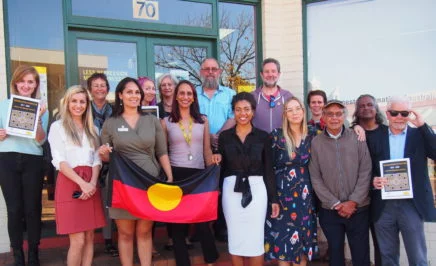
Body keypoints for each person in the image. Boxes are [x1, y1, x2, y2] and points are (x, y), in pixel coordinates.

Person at [98, 77, 174, 266]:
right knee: (125, 233)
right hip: (121, 184)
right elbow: (107, 156)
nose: (134, 95)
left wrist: (169, 177)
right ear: (120, 95)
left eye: (137, 92)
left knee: (145, 231)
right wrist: (103, 154)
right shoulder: (110, 123)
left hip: (149, 182)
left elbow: (162, 152)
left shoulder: (152, 120)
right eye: (129, 92)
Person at [367, 96, 436, 266]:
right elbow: (364, 166)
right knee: (387, 257)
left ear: (409, 115)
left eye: (404, 113)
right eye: (394, 113)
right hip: (383, 205)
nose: (399, 117)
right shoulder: (375, 137)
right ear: (387, 114)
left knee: (418, 257)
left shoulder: (419, 135)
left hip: (411, 204)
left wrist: (422, 125)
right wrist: (372, 181)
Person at [161, 80, 220, 266]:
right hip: (176, 175)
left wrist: (213, 167)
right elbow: (163, 152)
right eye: (182, 93)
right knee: (178, 224)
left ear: (194, 97)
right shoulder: (166, 122)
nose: (186, 97)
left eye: (189, 94)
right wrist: (168, 177)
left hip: (198, 175)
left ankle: (211, 260)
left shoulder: (203, 120)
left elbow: (207, 150)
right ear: (176, 96)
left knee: (202, 222)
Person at [218, 92, 280, 266]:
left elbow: (268, 169)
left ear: (253, 111)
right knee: (235, 236)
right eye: (238, 110)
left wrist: (274, 199)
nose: (242, 113)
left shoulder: (263, 136)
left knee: (255, 238)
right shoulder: (224, 137)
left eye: (246, 109)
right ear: (233, 112)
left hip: (257, 189)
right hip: (231, 189)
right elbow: (221, 168)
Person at [309, 100, 372, 266]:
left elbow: (366, 171)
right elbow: (315, 177)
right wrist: (335, 203)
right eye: (330, 114)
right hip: (330, 211)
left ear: (344, 116)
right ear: (323, 117)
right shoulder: (316, 143)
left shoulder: (357, 137)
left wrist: (353, 201)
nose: (334, 118)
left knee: (361, 256)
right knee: (335, 256)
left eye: (338, 114)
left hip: (358, 209)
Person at [48, 85, 106, 266]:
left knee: (90, 237)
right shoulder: (58, 127)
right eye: (74, 101)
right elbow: (59, 161)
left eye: (82, 101)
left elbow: (96, 159)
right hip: (70, 182)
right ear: (67, 102)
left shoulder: (93, 129)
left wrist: (93, 183)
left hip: (91, 183)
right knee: (78, 240)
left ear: (87, 104)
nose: (78, 105)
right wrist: (82, 184)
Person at [0, 65, 48, 266]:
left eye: (30, 81)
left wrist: (37, 118)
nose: (26, 85)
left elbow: (40, 141)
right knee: (14, 209)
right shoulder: (3, 105)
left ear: (36, 84)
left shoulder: (42, 107)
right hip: (7, 159)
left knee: (32, 209)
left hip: (32, 160)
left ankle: (34, 254)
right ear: (15, 83)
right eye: (22, 81)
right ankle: (18, 255)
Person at [265, 97, 318, 266]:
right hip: (282, 196)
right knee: (283, 245)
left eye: (298, 109)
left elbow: (335, 132)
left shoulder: (313, 134)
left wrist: (358, 128)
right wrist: (273, 198)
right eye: (290, 110)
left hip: (305, 196)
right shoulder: (276, 135)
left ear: (303, 111)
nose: (295, 113)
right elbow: (268, 169)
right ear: (285, 114)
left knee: (302, 243)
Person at [196, 57, 235, 241]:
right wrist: (206, 136)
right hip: (197, 148)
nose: (210, 72)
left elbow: (234, 117)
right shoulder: (193, 93)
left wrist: (217, 135)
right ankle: (200, 228)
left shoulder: (230, 94)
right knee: (201, 187)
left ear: (219, 72)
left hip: (224, 146)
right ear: (200, 72)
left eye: (214, 69)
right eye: (206, 69)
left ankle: (221, 227)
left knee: (222, 187)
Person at [86, 72, 119, 257]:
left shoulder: (115, 111)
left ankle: (108, 240)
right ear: (90, 89)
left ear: (107, 89)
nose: (99, 88)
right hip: (87, 162)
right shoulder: (83, 109)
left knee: (108, 203)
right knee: (88, 203)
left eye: (103, 85)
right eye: (95, 85)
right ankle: (86, 241)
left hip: (108, 163)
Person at [351, 94, 385, 266]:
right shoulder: (350, 134)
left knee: (382, 245)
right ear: (356, 110)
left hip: (383, 197)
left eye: (369, 104)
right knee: (360, 246)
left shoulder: (387, 132)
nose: (365, 108)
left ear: (376, 108)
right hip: (360, 198)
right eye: (361, 105)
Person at [251, 58, 293, 133]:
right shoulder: (252, 97)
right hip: (259, 143)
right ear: (261, 74)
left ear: (278, 74)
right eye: (267, 72)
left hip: (282, 143)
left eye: (273, 71)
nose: (270, 75)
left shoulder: (288, 97)